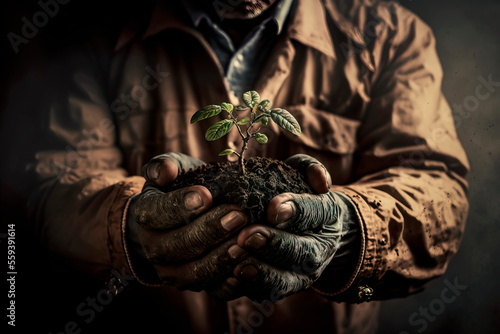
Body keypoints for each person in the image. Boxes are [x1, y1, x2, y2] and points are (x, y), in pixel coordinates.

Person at [1, 0, 469, 333]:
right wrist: (129, 226)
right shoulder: (85, 27)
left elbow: (435, 185)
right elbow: (40, 192)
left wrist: (352, 229)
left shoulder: (388, 33)